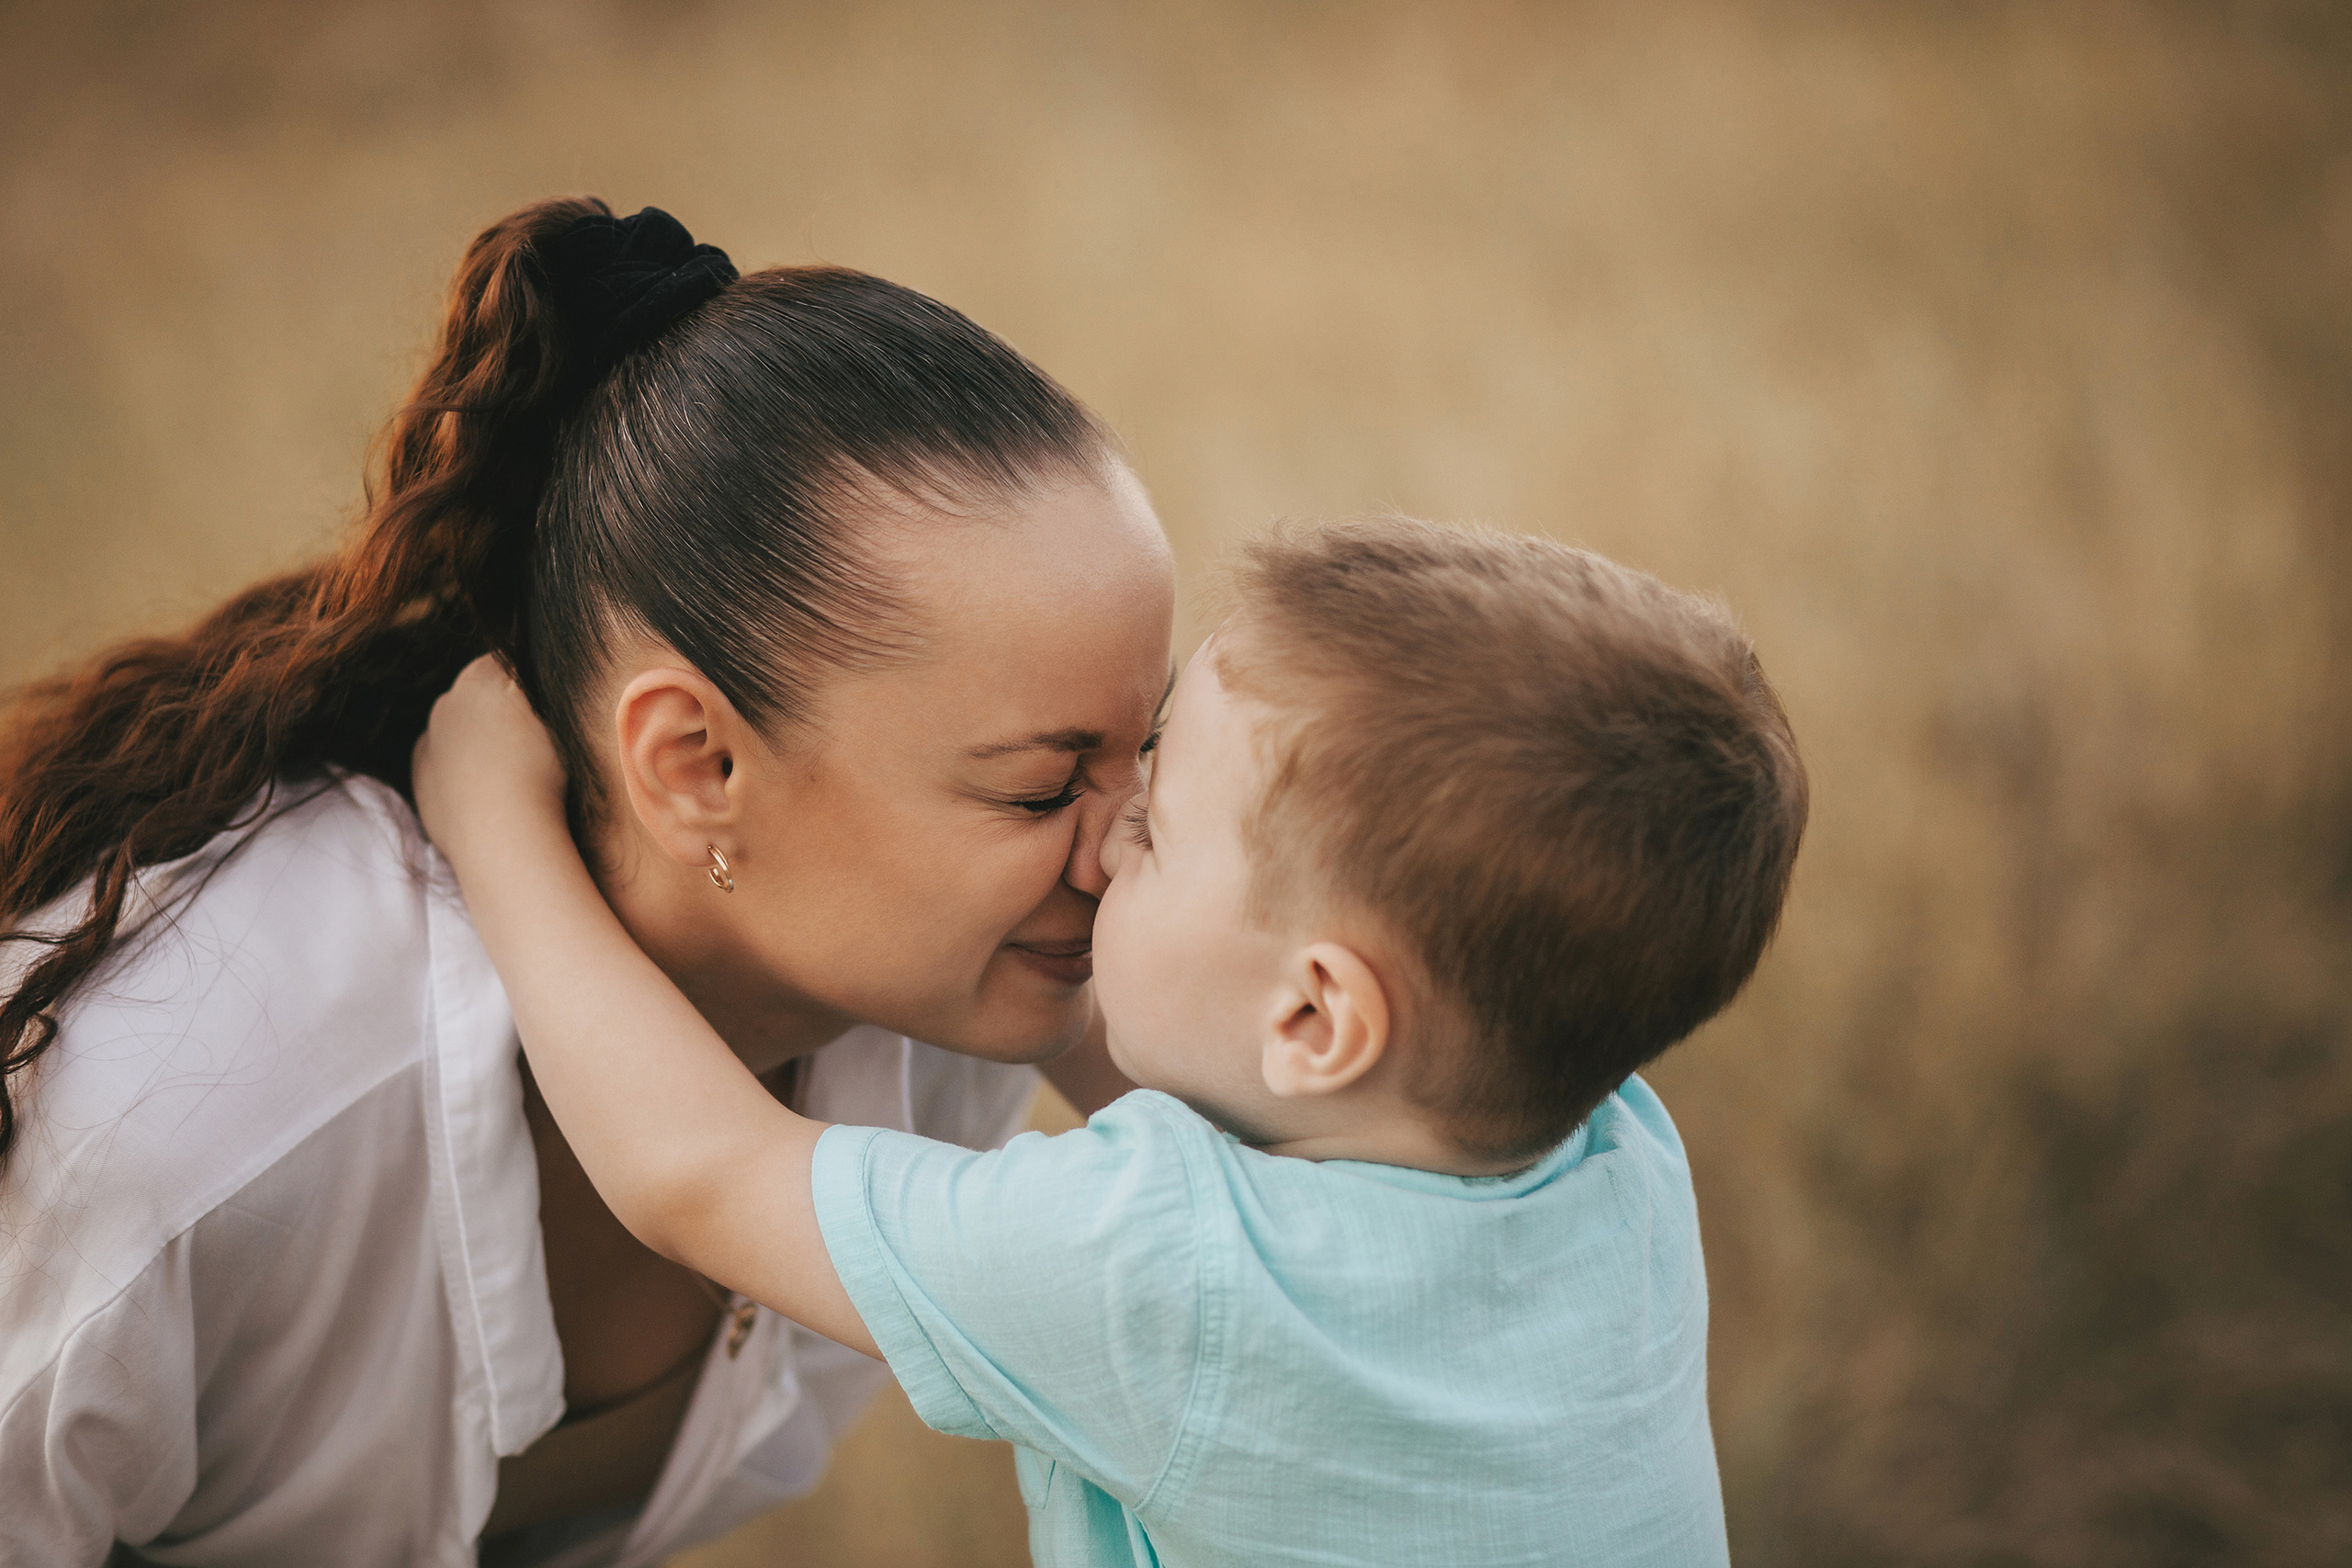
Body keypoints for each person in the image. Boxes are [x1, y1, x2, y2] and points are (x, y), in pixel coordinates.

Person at [0, 197, 1170, 1567]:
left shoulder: (971, 997)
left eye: (1148, 749)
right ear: (694, 765)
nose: (1127, 845)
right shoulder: (197, 1115)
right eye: (1042, 787)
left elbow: (1336, 1193)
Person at [412, 517, 1812, 1567]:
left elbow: (696, 1174)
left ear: (1316, 1017)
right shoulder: (1613, 1156)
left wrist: (495, 821)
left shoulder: (1160, 1272)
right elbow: (1211, 1078)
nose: (1098, 845)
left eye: (1153, 827)